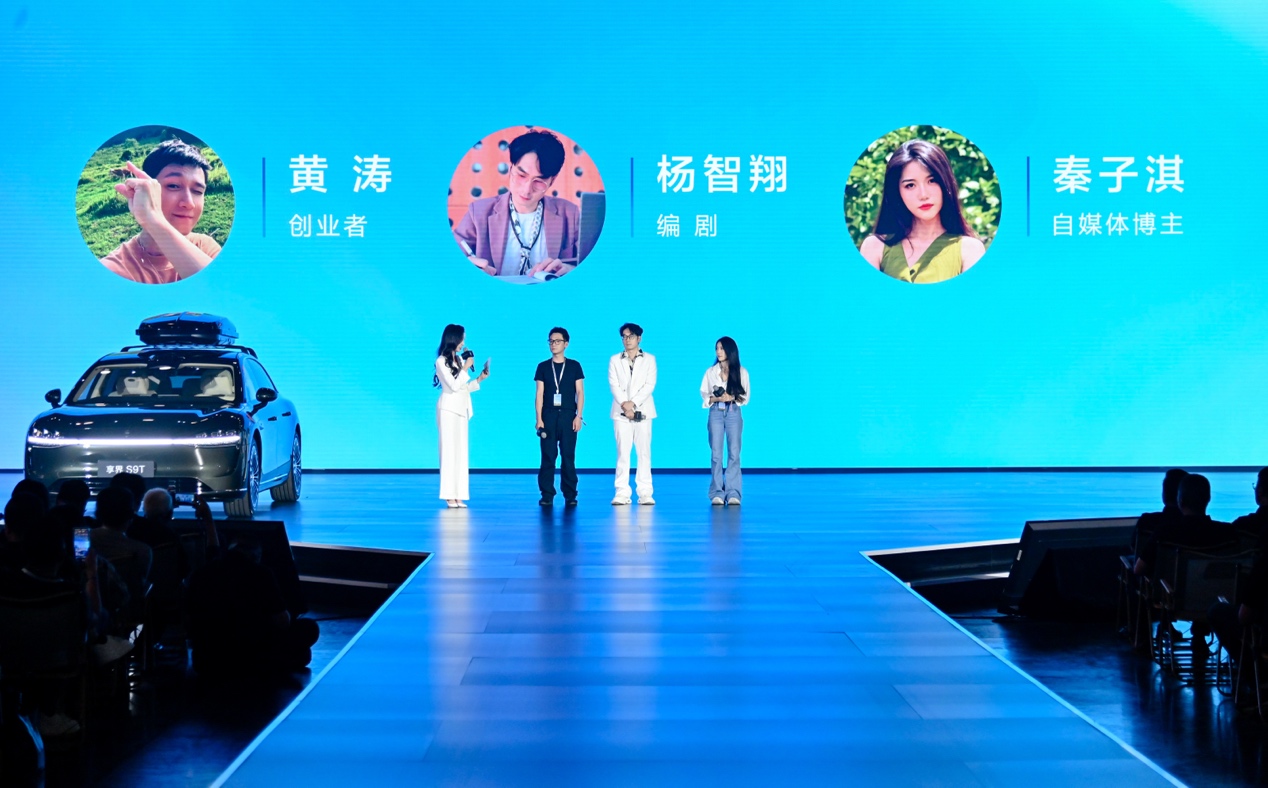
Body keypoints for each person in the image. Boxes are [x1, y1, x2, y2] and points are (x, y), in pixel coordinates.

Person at [452, 130, 580, 279]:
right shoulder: (479, 212)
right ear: (511, 168)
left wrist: (571, 269)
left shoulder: (570, 214)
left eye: (539, 181)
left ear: (552, 180)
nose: (527, 189)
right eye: (521, 175)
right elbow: (448, 261)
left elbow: (592, 265)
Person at [186, 535, 319, 678]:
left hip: (206, 661)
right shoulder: (261, 573)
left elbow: (188, 623)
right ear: (256, 555)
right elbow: (283, 622)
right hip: (252, 658)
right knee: (309, 629)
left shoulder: (200, 573)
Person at [858, 139, 986, 284]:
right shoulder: (874, 247)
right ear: (897, 192)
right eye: (910, 185)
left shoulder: (969, 250)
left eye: (932, 181)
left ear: (945, 182)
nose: (923, 195)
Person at [100, 138, 222, 284]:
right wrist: (153, 219)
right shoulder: (113, 271)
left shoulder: (205, 247)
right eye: (173, 186)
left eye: (197, 191)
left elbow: (223, 290)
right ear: (146, 190)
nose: (189, 203)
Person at [435, 324, 489, 508]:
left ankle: (459, 494)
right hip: (448, 410)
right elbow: (453, 385)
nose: (463, 343)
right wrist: (465, 367)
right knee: (449, 452)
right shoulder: (441, 361)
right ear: (453, 339)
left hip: (461, 409)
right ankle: (448, 495)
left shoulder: (458, 359)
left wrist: (480, 378)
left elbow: (463, 388)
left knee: (461, 453)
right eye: (461, 339)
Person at [534, 327, 585, 506]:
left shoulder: (574, 366)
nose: (553, 344)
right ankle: (547, 494)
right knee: (548, 456)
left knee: (568, 456)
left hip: (568, 416)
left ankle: (570, 494)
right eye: (551, 341)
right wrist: (539, 419)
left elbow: (580, 392)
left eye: (557, 341)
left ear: (566, 344)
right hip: (548, 415)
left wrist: (579, 416)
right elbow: (539, 394)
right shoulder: (542, 366)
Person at [608, 323, 656, 505]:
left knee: (644, 453)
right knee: (623, 453)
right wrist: (625, 406)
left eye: (631, 336)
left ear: (639, 338)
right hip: (621, 413)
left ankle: (645, 492)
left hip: (643, 412)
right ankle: (621, 492)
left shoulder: (649, 359)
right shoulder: (614, 359)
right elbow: (614, 385)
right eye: (624, 337)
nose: (627, 340)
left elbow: (649, 385)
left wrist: (633, 404)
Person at [700, 337, 750, 506]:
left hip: (733, 412)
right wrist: (716, 398)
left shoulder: (741, 372)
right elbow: (704, 394)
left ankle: (733, 492)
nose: (719, 352)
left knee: (734, 452)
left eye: (722, 348)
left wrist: (731, 397)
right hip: (715, 411)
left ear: (730, 350)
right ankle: (717, 492)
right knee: (716, 453)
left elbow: (745, 397)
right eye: (717, 348)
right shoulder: (710, 372)